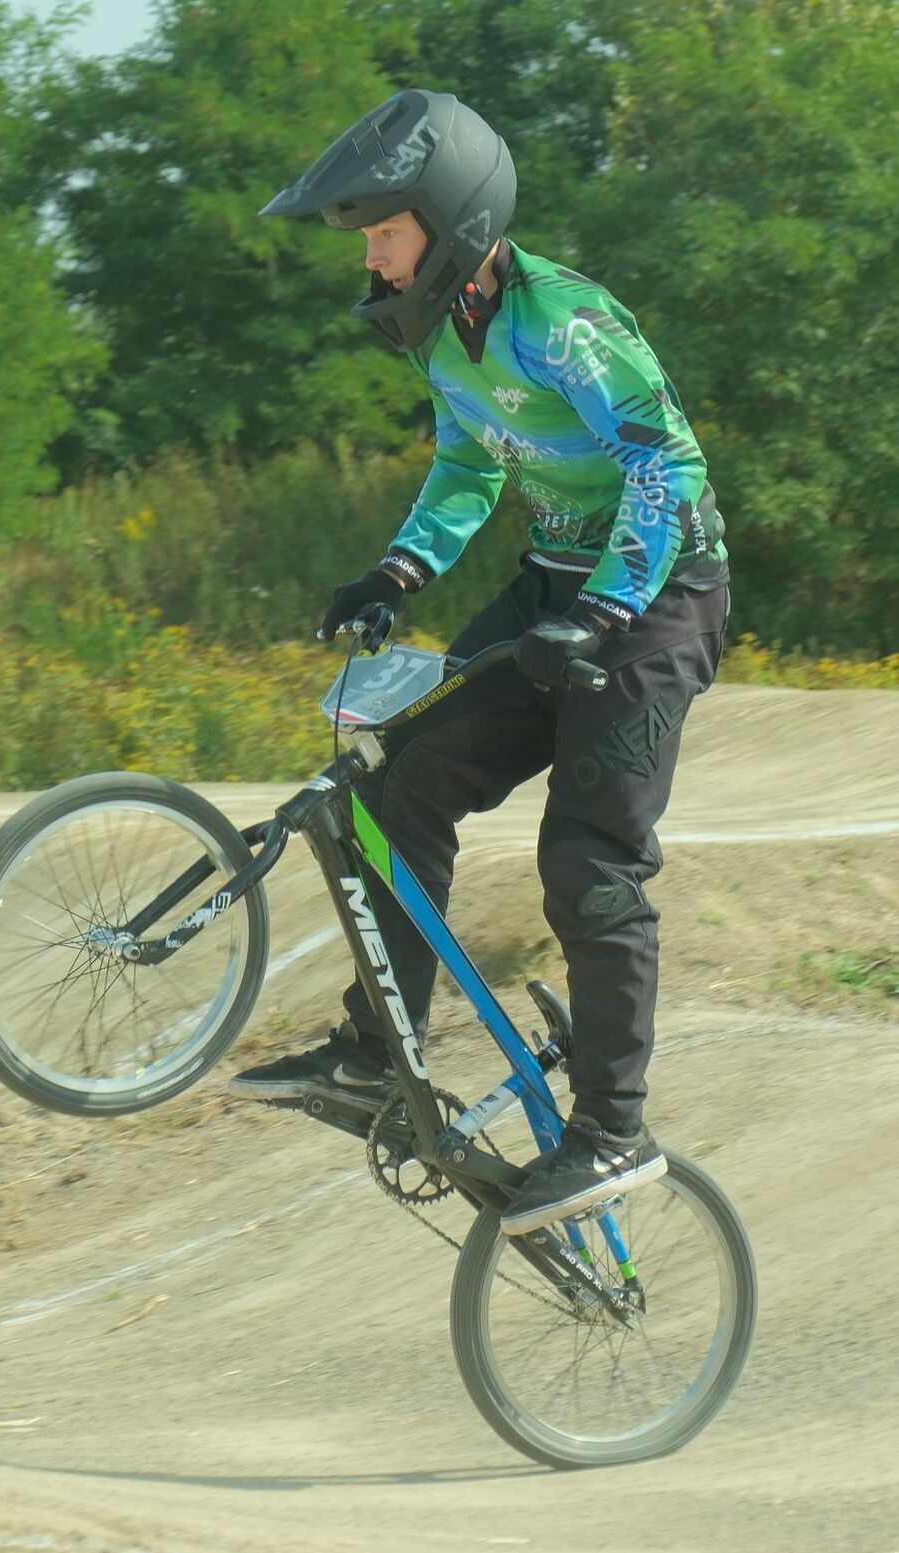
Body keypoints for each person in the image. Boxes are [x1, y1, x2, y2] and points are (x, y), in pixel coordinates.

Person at [230, 89, 730, 1236]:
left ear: (451, 221)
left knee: (588, 861)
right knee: (399, 783)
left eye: (384, 232)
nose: (369, 255)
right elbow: (469, 464)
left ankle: (612, 1129)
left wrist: (605, 612)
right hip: (555, 589)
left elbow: (671, 467)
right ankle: (375, 1049)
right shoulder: (446, 329)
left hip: (656, 601)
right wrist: (399, 572)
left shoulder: (565, 321)